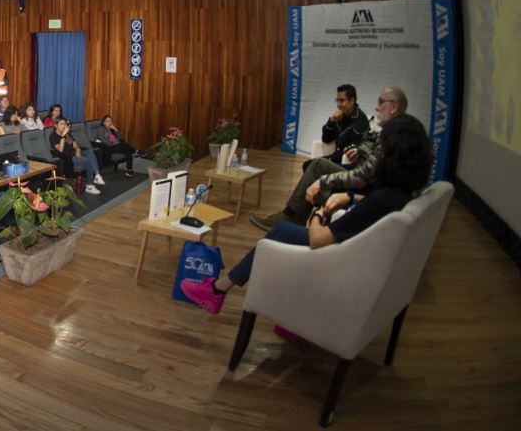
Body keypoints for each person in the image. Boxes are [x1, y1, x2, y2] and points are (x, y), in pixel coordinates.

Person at [181, 114, 433, 315]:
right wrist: (350, 197)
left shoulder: (380, 199)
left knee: (281, 231)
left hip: (344, 257)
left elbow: (318, 239)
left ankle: (217, 290)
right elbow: (375, 202)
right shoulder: (403, 191)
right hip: (363, 254)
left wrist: (319, 214)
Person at [250, 87, 408, 231]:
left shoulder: (391, 136)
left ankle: (293, 216)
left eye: (381, 102)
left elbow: (363, 176)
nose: (376, 107)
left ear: (394, 107)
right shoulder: (382, 130)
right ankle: (294, 216)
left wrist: (322, 182)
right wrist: (354, 148)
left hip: (364, 187)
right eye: (337, 100)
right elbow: (334, 140)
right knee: (314, 165)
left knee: (316, 170)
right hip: (355, 170)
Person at [319, 84, 370, 165]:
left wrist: (349, 147)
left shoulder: (361, 120)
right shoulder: (339, 117)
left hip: (347, 162)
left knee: (313, 165)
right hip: (335, 157)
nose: (338, 104)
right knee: (309, 164)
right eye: (337, 100)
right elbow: (326, 139)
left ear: (352, 101)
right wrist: (331, 121)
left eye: (342, 101)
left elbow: (355, 145)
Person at [49, 117, 103, 195]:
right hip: (67, 157)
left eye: (65, 124)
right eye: (61, 124)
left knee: (90, 152)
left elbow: (76, 146)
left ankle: (97, 176)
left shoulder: (68, 134)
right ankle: (89, 186)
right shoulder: (53, 136)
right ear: (56, 125)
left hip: (75, 153)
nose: (64, 126)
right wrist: (63, 136)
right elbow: (60, 150)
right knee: (88, 161)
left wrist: (78, 151)